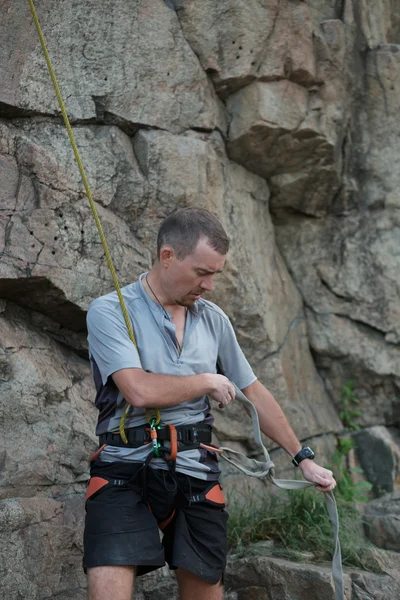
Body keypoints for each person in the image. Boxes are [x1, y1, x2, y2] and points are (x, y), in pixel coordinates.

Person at [84, 207, 336, 600]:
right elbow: (137, 390)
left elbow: (254, 391)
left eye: (215, 273)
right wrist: (205, 381)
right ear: (167, 256)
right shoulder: (111, 310)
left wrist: (302, 457)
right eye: (202, 272)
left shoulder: (213, 320)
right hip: (123, 466)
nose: (210, 284)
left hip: (194, 466)